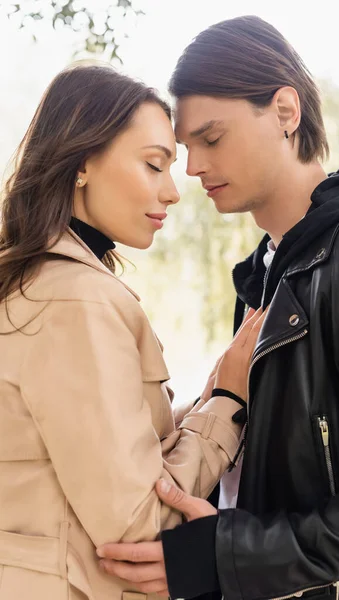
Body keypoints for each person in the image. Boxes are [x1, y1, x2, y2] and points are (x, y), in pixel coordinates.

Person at [98, 15, 339, 600]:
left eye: (212, 139)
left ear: (286, 112)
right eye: (185, 148)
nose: (192, 168)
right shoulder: (269, 268)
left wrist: (231, 555)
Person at [0, 63, 266, 600]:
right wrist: (229, 406)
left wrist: (203, 401)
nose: (173, 191)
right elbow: (140, 530)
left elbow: (93, 455)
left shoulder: (36, 282)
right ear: (81, 162)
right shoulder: (73, 299)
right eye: (153, 165)